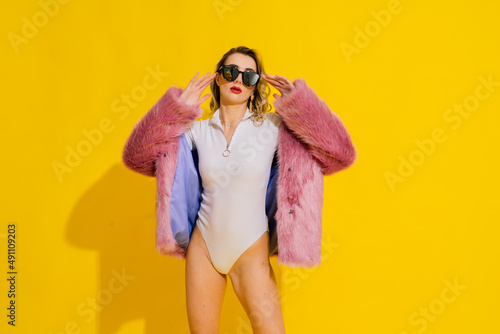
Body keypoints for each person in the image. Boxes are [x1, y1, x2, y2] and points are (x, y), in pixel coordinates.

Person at [122, 46, 357, 334]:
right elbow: (136, 157)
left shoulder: (271, 127)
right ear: (219, 78)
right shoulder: (197, 131)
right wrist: (175, 109)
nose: (239, 80)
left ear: (256, 86)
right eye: (231, 72)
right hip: (203, 250)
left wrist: (301, 104)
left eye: (249, 76)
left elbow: (339, 154)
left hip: (250, 251)